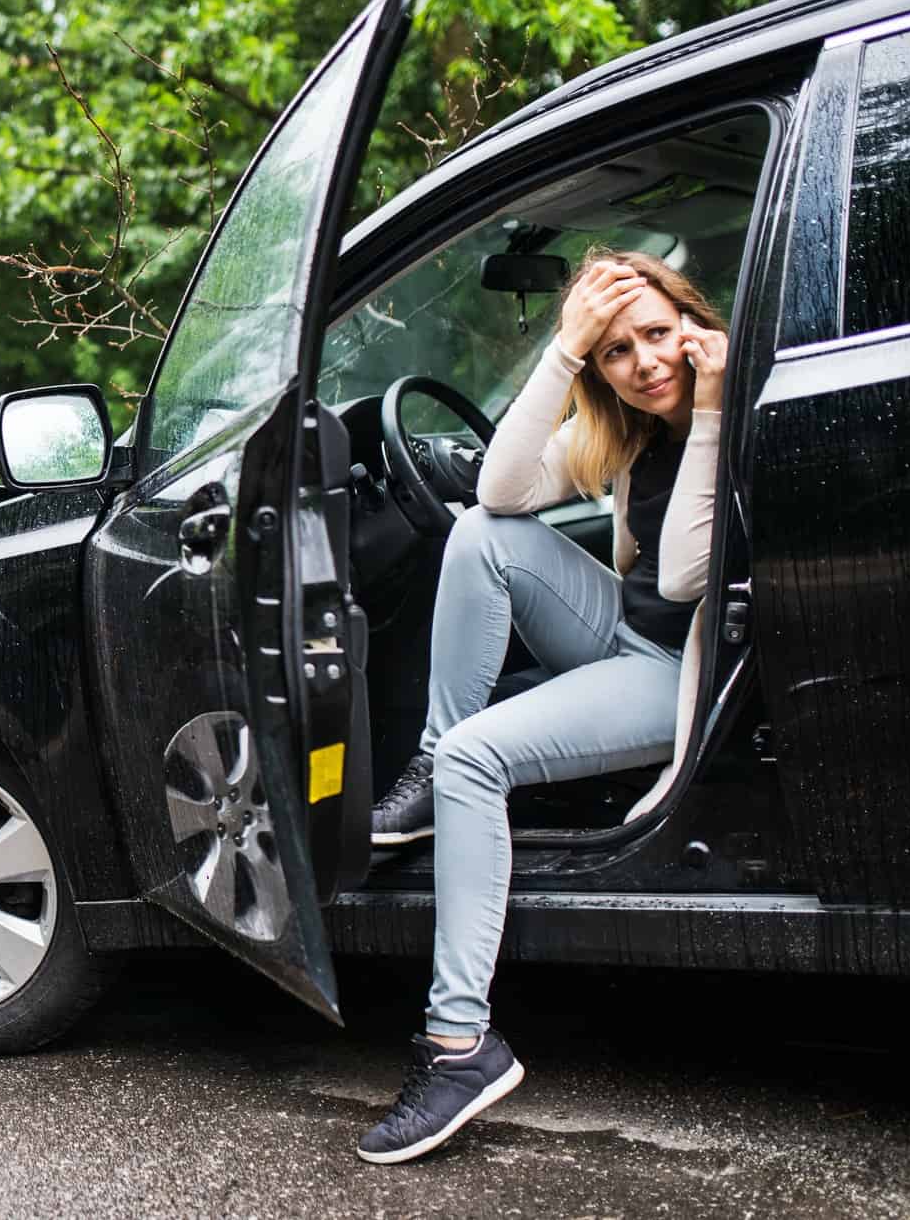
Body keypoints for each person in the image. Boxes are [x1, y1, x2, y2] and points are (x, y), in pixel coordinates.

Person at [355, 250, 730, 1165]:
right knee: (484, 534)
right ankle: (429, 755)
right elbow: (499, 491)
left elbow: (684, 575)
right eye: (615, 352)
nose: (643, 362)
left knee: (480, 760)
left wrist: (712, 406)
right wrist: (560, 351)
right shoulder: (626, 431)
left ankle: (458, 1047)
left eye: (654, 334)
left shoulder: (741, 408)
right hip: (623, 632)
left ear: (689, 320)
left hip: (684, 667)